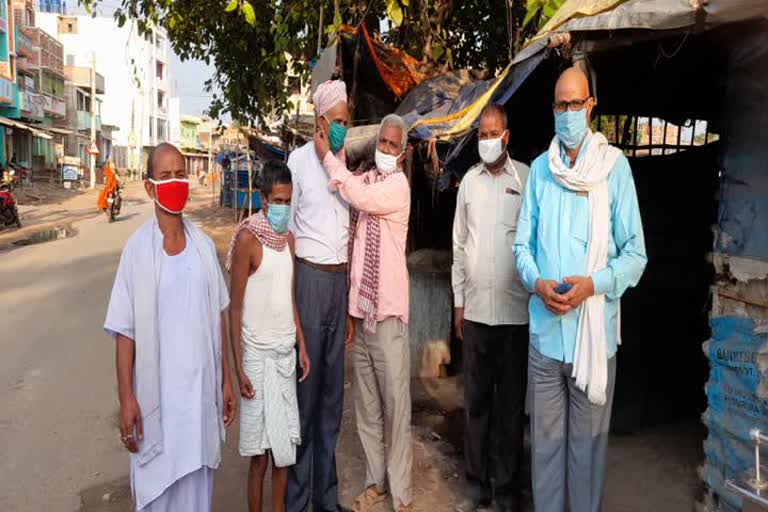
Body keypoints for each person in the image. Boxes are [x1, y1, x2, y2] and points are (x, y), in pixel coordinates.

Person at [513, 67, 647, 512]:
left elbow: (635, 255)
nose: (568, 113)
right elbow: (521, 246)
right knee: (546, 454)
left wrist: (595, 285)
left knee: (586, 456)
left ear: (591, 106)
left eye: (576, 104)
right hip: (547, 338)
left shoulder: (614, 170)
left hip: (595, 341)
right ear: (552, 109)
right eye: (560, 105)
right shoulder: (539, 172)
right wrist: (537, 282)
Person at [104, 143, 237, 512]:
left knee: (196, 494)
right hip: (157, 403)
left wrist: (225, 379)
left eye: (181, 173)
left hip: (197, 403)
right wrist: (126, 397)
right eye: (166, 176)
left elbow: (219, 315)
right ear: (150, 188)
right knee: (158, 495)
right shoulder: (137, 252)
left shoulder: (204, 248)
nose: (176, 181)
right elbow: (124, 329)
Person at [316, 113, 412, 512]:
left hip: (388, 319)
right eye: (382, 143)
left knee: (396, 411)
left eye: (393, 145)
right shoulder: (366, 180)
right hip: (363, 316)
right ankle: (376, 482)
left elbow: (356, 195)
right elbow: (353, 195)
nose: (386, 150)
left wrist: (327, 157)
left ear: (403, 153)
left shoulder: (397, 188)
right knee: (368, 410)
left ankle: (402, 494)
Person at [452, 104, 530, 512]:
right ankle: (477, 484)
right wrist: (459, 302)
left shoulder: (527, 178)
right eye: (481, 133)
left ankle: (507, 489)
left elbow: (534, 243)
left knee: (511, 408)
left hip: (517, 315)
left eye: (493, 132)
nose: (486, 139)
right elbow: (459, 245)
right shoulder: (468, 182)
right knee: (477, 403)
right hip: (478, 314)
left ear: (507, 136)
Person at [227, 160, 311, 512]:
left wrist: (301, 344)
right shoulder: (248, 240)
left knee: (283, 456)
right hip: (257, 360)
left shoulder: (288, 240)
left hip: (284, 357)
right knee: (259, 459)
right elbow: (233, 309)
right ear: (263, 200)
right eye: (277, 200)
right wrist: (239, 370)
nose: (283, 208)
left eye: (287, 201)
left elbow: (288, 297)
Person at [285, 79, 353, 512]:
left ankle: (326, 499)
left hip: (337, 285)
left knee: (332, 401)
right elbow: (286, 234)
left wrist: (346, 307)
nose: (344, 128)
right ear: (320, 120)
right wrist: (291, 306)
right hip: (308, 282)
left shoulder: (345, 165)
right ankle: (296, 500)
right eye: (339, 120)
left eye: (348, 121)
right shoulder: (296, 163)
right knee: (305, 398)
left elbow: (349, 235)